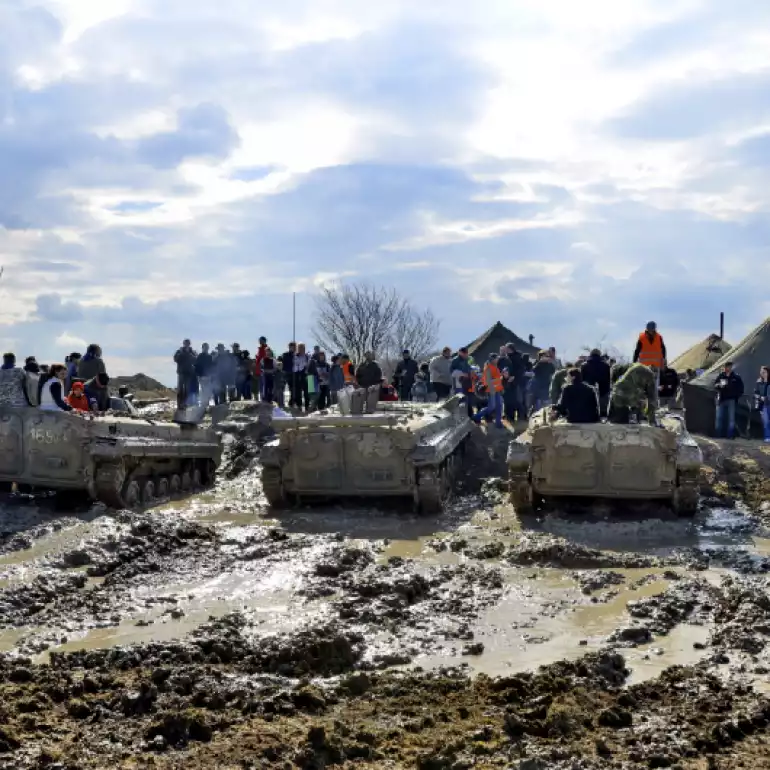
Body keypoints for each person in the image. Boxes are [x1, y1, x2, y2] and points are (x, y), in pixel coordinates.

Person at [472, 353, 504, 428]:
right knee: (491, 407)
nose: (498, 359)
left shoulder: (495, 367)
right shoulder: (488, 368)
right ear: (492, 359)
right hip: (491, 390)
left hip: (497, 389)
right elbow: (487, 382)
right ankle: (476, 417)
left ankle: (498, 423)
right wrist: (498, 379)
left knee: (499, 405)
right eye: (496, 358)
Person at [714, 361, 744, 439]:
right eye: (726, 367)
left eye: (730, 367)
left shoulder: (736, 377)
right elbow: (715, 385)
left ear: (732, 367)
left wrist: (736, 396)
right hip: (722, 399)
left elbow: (741, 389)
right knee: (719, 418)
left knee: (731, 419)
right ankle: (718, 436)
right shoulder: (721, 376)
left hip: (731, 400)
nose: (728, 368)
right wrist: (719, 385)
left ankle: (730, 436)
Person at [581, 349, 611, 417]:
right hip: (603, 390)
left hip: (588, 390)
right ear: (599, 354)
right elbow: (608, 379)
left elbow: (582, 379)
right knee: (603, 412)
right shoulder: (606, 365)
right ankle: (603, 415)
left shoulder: (584, 365)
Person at [173, 339, 198, 409]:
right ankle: (179, 405)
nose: (187, 344)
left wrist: (190, 355)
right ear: (184, 344)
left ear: (189, 344)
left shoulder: (192, 352)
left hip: (189, 373)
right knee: (180, 389)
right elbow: (175, 359)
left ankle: (184, 404)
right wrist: (182, 354)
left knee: (187, 390)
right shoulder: (180, 351)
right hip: (181, 372)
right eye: (185, 343)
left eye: (188, 343)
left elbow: (196, 360)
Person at [451, 347, 474, 418]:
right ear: (460, 353)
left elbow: (469, 368)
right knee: (462, 401)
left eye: (467, 353)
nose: (466, 355)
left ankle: (470, 417)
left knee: (469, 400)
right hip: (459, 384)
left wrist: (471, 372)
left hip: (468, 383)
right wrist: (462, 374)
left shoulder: (467, 360)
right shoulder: (455, 360)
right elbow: (452, 372)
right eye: (465, 353)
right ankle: (463, 418)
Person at [195, 342, 215, 407]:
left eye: (207, 347)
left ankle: (206, 404)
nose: (206, 349)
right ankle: (204, 405)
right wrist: (198, 376)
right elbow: (197, 366)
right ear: (202, 348)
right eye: (204, 347)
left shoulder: (209, 357)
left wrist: (211, 375)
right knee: (203, 391)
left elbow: (211, 367)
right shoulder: (200, 356)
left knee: (208, 391)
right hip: (202, 377)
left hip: (208, 377)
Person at [292, 342, 310, 411]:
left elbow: (309, 365)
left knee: (307, 392)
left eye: (302, 348)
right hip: (298, 374)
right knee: (298, 392)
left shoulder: (307, 356)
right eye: (299, 348)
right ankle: (299, 406)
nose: (301, 349)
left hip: (306, 375)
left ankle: (307, 406)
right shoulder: (295, 356)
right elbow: (294, 367)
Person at [754, 366, 770, 442]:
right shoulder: (759, 382)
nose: (763, 374)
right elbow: (756, 393)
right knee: (766, 422)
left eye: (764, 372)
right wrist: (760, 398)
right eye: (761, 372)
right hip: (763, 404)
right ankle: (767, 437)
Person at [255, 336, 268, 400]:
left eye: (261, 340)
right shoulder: (260, 349)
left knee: (264, 386)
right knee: (260, 387)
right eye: (259, 340)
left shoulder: (266, 349)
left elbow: (266, 359)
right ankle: (262, 400)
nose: (259, 341)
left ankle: (264, 400)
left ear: (264, 341)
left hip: (263, 371)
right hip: (258, 371)